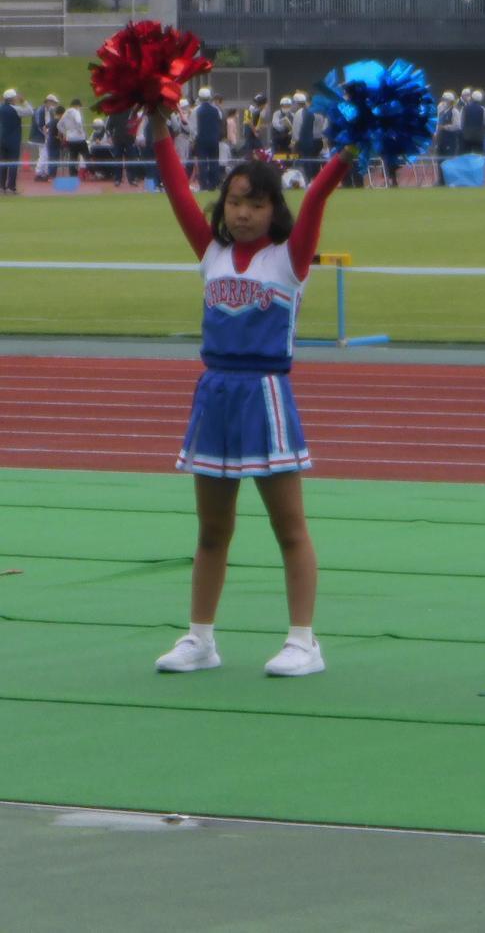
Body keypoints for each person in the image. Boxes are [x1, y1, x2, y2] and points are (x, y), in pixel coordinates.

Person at [146, 108, 354, 678]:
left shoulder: (290, 259)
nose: (242, 212)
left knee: (288, 526)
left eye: (256, 203)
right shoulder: (209, 251)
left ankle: (303, 641)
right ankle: (201, 638)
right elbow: (175, 190)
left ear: (273, 211)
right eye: (235, 200)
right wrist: (159, 125)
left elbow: (315, 200)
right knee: (212, 530)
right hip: (214, 394)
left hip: (265, 394)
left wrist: (347, 154)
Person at [192, 87, 223, 189]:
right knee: (214, 161)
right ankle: (214, 184)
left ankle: (204, 185)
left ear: (199, 98)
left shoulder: (196, 110)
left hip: (201, 140)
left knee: (203, 163)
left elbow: (193, 127)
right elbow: (220, 122)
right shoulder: (216, 110)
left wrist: (193, 139)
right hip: (214, 139)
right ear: (210, 97)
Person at [58, 97, 87, 178]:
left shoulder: (66, 113)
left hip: (69, 138)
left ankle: (73, 173)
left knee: (72, 156)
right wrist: (81, 131)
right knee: (85, 154)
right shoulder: (76, 112)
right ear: (77, 105)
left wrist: (65, 133)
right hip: (78, 138)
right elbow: (78, 122)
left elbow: (60, 125)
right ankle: (90, 171)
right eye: (79, 106)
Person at [0, 88, 22, 194]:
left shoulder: (1, 108)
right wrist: (24, 101)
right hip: (13, 140)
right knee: (13, 164)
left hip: (2, 139)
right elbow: (30, 111)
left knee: (2, 163)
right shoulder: (17, 109)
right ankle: (11, 187)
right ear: (12, 98)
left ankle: (1, 186)